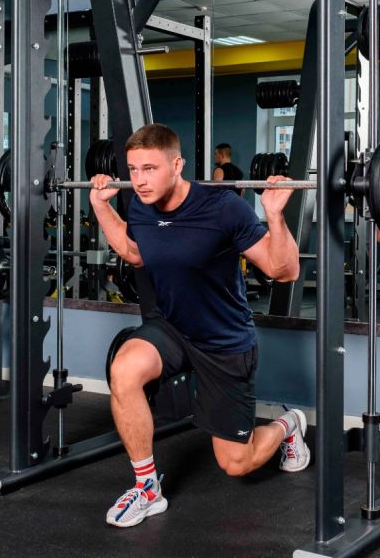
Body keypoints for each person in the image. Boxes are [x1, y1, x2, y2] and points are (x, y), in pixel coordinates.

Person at [89, 123, 309, 529]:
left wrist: (275, 216)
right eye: (133, 169)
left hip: (223, 341)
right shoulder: (140, 205)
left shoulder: (223, 207)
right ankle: (147, 488)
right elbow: (135, 253)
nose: (139, 180)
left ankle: (287, 425)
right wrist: (102, 206)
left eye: (150, 169)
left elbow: (285, 270)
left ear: (177, 165)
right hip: (173, 328)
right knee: (124, 370)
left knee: (236, 463)